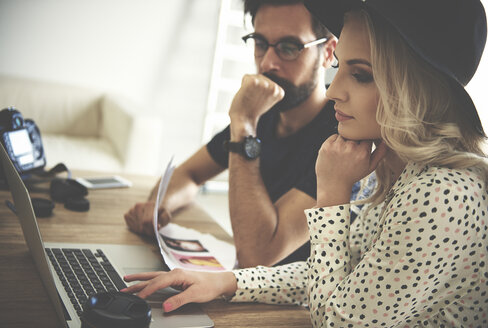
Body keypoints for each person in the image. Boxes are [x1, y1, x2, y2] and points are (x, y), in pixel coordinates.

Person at [121, 0, 488, 326]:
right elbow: (343, 277)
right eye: (341, 67)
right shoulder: (400, 167)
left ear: (418, 89)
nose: (333, 91)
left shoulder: (441, 194)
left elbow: (339, 321)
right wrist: (226, 282)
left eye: (360, 75)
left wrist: (331, 191)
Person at [125, 0, 353, 268]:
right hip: (244, 287)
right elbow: (189, 174)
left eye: (289, 48)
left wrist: (243, 124)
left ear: (328, 53)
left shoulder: (342, 137)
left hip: (299, 303)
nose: (267, 63)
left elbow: (258, 256)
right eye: (259, 43)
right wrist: (160, 206)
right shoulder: (264, 114)